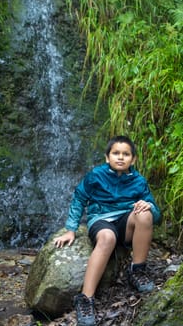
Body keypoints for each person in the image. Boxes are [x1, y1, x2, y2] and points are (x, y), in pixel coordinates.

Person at [53, 135, 161, 326]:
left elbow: (157, 217)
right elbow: (79, 199)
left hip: (126, 222)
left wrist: (149, 206)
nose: (120, 157)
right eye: (116, 153)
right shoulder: (96, 176)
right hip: (101, 220)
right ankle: (85, 299)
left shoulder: (138, 181)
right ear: (107, 157)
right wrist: (71, 229)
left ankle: (137, 271)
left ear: (133, 159)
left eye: (126, 154)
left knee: (145, 214)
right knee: (107, 238)